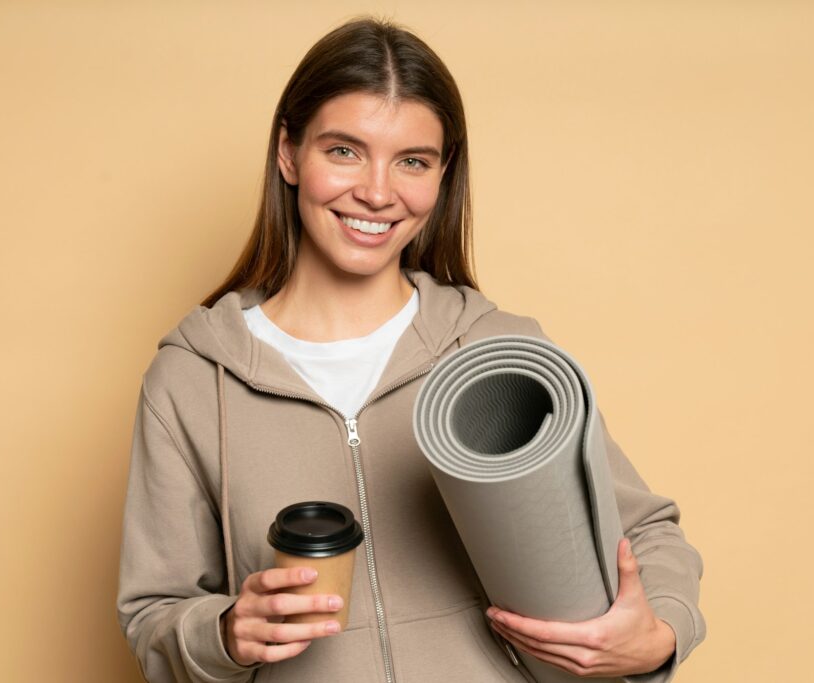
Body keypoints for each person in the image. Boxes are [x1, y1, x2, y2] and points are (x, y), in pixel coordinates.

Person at [116, 17, 705, 683]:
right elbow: (155, 613)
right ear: (288, 152)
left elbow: (646, 531)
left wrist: (658, 634)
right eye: (344, 150)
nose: (376, 191)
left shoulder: (498, 352)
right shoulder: (192, 379)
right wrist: (223, 632)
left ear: (443, 174)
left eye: (412, 161)